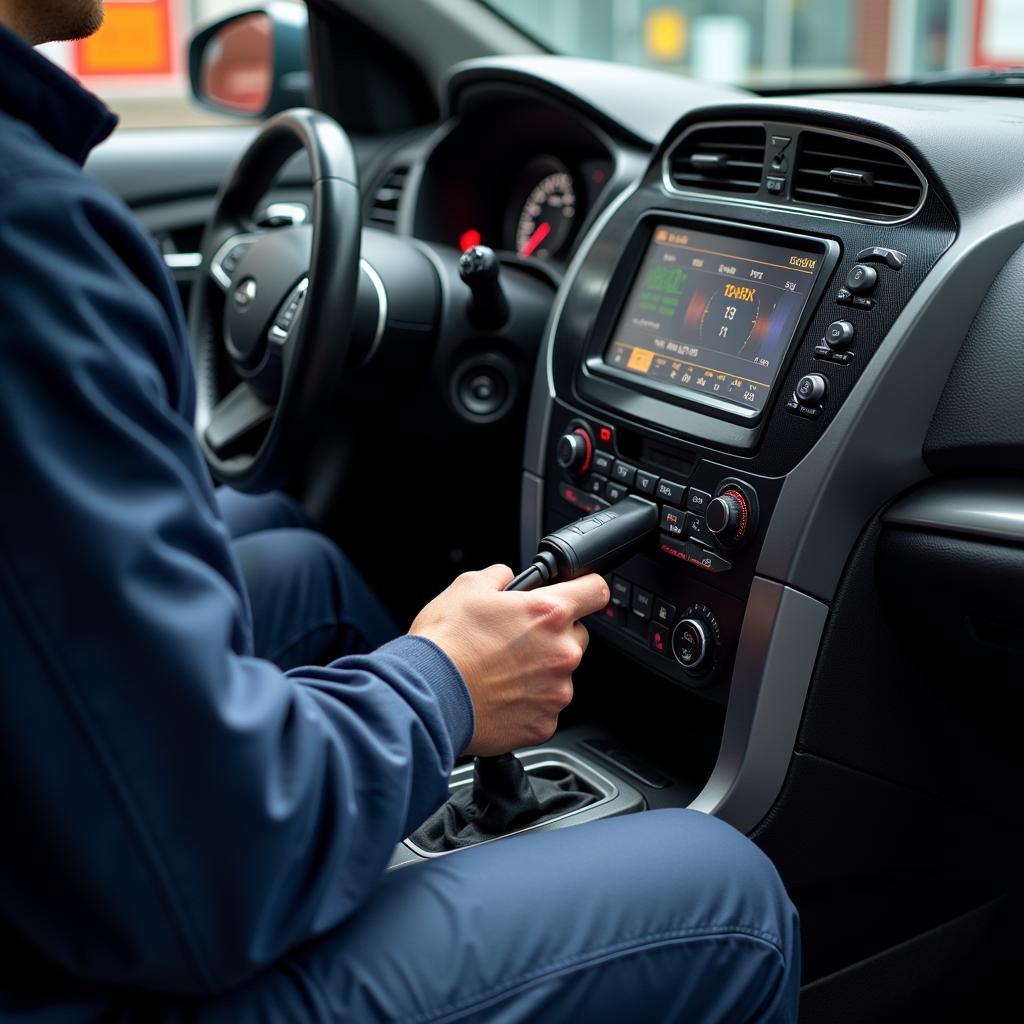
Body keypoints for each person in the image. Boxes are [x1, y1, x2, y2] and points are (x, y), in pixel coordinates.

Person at [0, 2, 800, 1020]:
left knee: (306, 570)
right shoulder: (29, 232)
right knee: (719, 892)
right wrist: (444, 691)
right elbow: (202, 870)